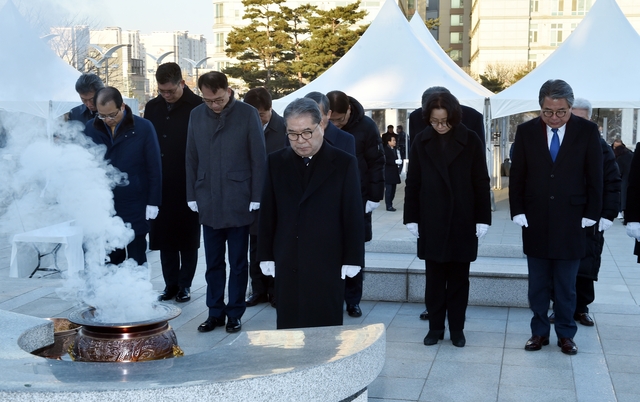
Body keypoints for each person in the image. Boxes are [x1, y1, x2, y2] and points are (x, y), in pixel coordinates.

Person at [510, 79, 603, 355]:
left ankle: (565, 334)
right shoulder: (526, 131)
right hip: (535, 219)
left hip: (572, 220)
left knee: (566, 285)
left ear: (570, 107)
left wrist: (592, 214)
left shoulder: (587, 131)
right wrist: (517, 210)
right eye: (548, 112)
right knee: (537, 284)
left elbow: (595, 176)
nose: (554, 118)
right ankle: (538, 333)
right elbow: (518, 176)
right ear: (541, 107)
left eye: (561, 112)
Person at [257, 98, 364, 329]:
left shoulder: (344, 163)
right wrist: (265, 253)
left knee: (325, 334)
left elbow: (352, 214)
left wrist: (353, 257)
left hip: (327, 261)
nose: (300, 141)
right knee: (289, 332)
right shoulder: (276, 162)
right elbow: (268, 212)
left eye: (307, 132)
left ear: (321, 126)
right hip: (288, 261)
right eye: (293, 134)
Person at [403, 92, 491, 348]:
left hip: (462, 218)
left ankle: (457, 328)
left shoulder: (470, 140)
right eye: (434, 121)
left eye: (444, 121)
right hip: (432, 218)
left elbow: (481, 181)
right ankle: (435, 327)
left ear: (454, 117)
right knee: (434, 279)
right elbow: (414, 182)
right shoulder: (422, 140)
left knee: (459, 280)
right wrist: (412, 217)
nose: (440, 126)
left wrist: (482, 218)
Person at [186, 72, 266, 334]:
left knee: (239, 262)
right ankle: (214, 311)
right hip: (208, 198)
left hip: (238, 198)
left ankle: (235, 312)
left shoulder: (246, 113)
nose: (214, 105)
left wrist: (256, 196)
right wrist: (191, 194)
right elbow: (191, 157)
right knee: (213, 262)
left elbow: (258, 157)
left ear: (228, 91)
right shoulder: (197, 115)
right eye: (208, 101)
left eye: (218, 99)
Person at [144, 62, 202, 303]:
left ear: (182, 83)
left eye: (170, 91)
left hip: (188, 180)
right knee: (164, 237)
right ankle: (170, 284)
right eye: (162, 91)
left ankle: (185, 284)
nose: (166, 95)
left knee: (187, 237)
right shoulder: (152, 107)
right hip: (160, 181)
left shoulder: (197, 107)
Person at [84, 87, 162, 265]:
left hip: (135, 201)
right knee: (111, 257)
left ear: (122, 107)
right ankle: (114, 292)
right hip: (106, 204)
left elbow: (154, 167)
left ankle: (139, 292)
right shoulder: (91, 128)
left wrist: (153, 202)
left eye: (112, 115)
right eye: (102, 116)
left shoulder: (143, 127)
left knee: (137, 256)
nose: (108, 120)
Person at [560, 98, 620, 327]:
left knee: (586, 262)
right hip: (562, 215)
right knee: (560, 262)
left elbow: (613, 181)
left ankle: (581, 307)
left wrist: (608, 214)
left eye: (580, 118)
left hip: (590, 215)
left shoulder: (600, 146)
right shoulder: (556, 144)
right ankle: (561, 306)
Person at [326, 90, 385, 318]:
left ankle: (353, 300)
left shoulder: (367, 127)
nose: (335, 125)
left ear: (349, 110)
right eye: (331, 120)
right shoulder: (321, 125)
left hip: (358, 197)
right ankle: (331, 297)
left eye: (339, 120)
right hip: (330, 199)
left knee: (354, 250)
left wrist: (374, 196)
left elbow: (376, 162)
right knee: (329, 251)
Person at [242, 87, 287, 308]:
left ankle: (277, 290)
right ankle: (258, 289)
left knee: (278, 245)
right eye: (253, 114)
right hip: (253, 197)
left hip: (278, 197)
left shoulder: (285, 128)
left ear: (270, 109)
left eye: (261, 114)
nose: (258, 119)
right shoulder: (244, 127)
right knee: (256, 245)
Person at [409, 86, 485, 149]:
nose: (440, 126)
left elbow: (479, 157)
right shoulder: (415, 117)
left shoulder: (473, 117)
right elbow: (414, 153)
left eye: (445, 120)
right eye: (433, 119)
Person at [304, 91, 355, 156]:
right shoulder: (292, 136)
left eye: (317, 116)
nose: (312, 120)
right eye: (306, 116)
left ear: (328, 114)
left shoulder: (346, 139)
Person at [613, 139, 633, 221]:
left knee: (621, 195)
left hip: (622, 179)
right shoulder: (630, 154)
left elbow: (618, 171)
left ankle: (619, 211)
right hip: (629, 178)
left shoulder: (619, 158)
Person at [382, 133, 401, 211]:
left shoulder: (395, 150)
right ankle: (388, 205)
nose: (395, 142)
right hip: (388, 172)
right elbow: (385, 160)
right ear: (388, 142)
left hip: (394, 172)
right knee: (389, 190)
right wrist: (394, 161)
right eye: (393, 140)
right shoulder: (385, 150)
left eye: (395, 140)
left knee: (393, 190)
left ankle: (391, 203)